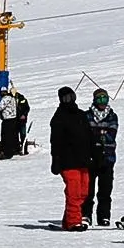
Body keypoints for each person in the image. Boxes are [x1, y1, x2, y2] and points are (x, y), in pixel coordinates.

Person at [46, 87, 92, 230]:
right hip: (67, 160)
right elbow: (55, 141)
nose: (69, 100)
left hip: (83, 160)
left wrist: (94, 155)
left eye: (71, 97)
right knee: (74, 191)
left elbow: (89, 137)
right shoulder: (59, 117)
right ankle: (73, 221)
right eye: (65, 98)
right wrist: (55, 160)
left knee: (84, 191)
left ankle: (68, 220)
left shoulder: (81, 115)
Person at [81, 88, 119, 227]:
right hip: (90, 158)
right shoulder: (87, 116)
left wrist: (96, 135)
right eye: (99, 99)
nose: (102, 102)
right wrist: (100, 134)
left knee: (105, 190)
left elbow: (111, 135)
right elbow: (85, 135)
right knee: (87, 190)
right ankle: (86, 214)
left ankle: (104, 216)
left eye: (105, 99)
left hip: (107, 158)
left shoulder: (112, 116)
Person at [0, 88, 22, 159]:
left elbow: (0, 107)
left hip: (8, 120)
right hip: (13, 119)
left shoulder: (6, 98)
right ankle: (15, 149)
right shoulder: (12, 98)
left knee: (6, 137)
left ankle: (7, 153)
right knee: (13, 135)